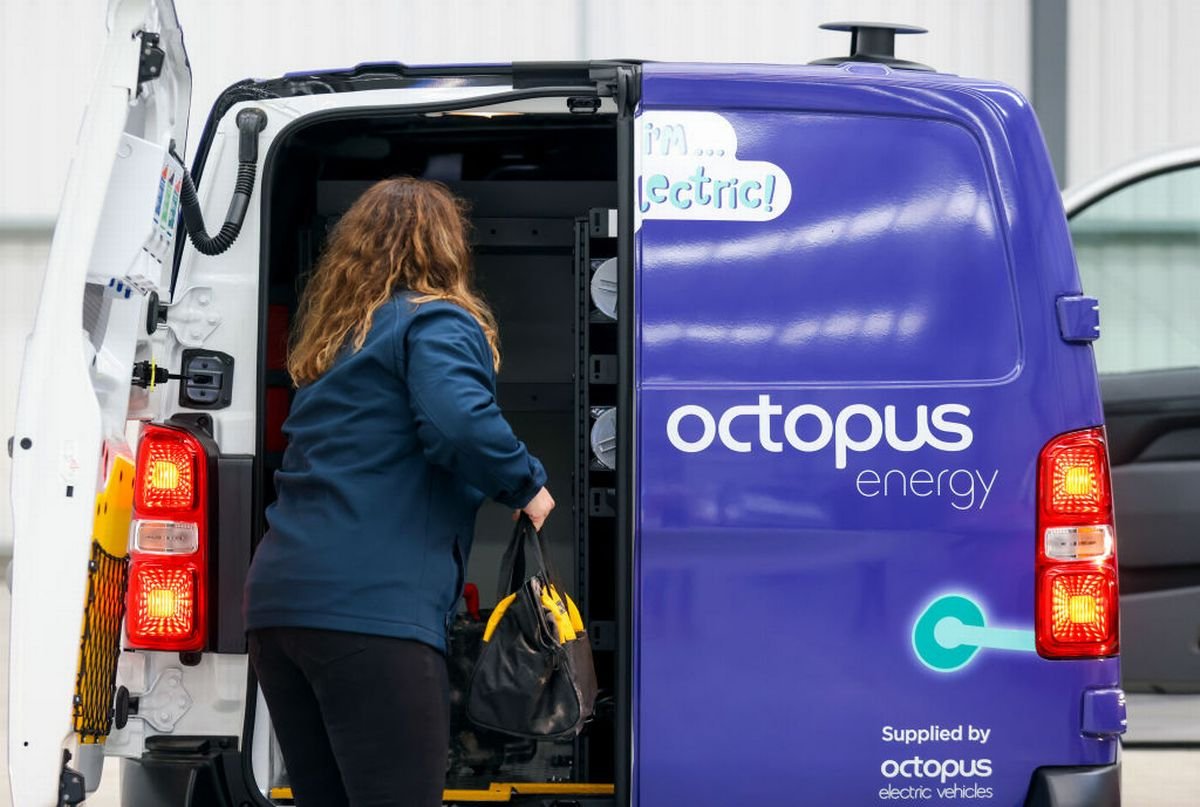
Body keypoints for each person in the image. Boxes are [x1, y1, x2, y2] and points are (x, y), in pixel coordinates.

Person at [243, 177, 554, 807]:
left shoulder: (338, 344)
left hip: (281, 609)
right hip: (371, 612)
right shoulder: (436, 320)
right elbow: (458, 421)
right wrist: (526, 485)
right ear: (446, 246)